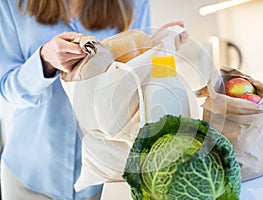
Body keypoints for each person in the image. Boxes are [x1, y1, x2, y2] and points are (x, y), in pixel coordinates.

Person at [0, 0, 187, 199]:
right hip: (30, 176)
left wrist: (159, 47)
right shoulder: (11, 4)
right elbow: (7, 89)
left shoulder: (134, 3)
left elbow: (140, 84)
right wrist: (44, 61)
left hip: (105, 180)